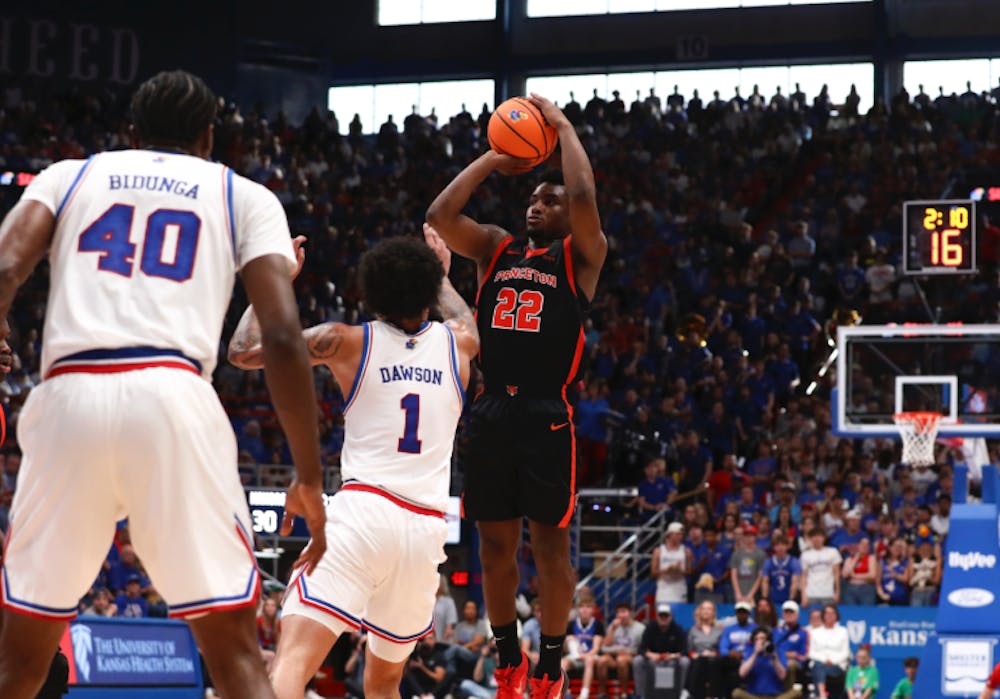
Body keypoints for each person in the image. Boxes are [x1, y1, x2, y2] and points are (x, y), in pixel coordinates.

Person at [0, 69, 327, 699]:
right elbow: (283, 339)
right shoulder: (243, 194)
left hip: (71, 396)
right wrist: (309, 477)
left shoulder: (70, 175)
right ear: (210, 138)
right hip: (173, 397)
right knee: (234, 655)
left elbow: (8, 265)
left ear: (129, 133)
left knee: (19, 658)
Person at [230, 226, 478, 699]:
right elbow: (463, 318)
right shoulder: (460, 344)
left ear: (373, 296)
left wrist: (277, 278)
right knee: (384, 684)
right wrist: (441, 276)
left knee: (293, 662)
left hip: (364, 514)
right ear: (428, 289)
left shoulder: (346, 341)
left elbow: (243, 354)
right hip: (427, 529)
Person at [427, 92, 607, 699]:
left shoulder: (580, 257)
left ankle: (551, 666)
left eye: (548, 198)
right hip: (491, 410)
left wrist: (561, 125)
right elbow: (441, 216)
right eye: (534, 195)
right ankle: (509, 659)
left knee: (550, 552)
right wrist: (493, 159)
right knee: (494, 546)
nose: (539, 202)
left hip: (545, 412)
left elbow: (583, 197)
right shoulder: (497, 248)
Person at [631, 603, 689, 699]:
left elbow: (684, 651)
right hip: (653, 659)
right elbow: (642, 649)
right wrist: (651, 655)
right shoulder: (650, 628)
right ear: (657, 616)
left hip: (672, 659)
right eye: (661, 615)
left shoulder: (678, 629)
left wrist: (672, 656)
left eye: (666, 615)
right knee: (637, 660)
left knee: (685, 661)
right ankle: (641, 694)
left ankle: (680, 693)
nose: (663, 618)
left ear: (671, 617)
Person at [732, 627, 801, 699]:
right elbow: (742, 673)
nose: (760, 641)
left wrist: (774, 657)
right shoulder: (750, 652)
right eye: (756, 639)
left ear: (768, 640)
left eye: (762, 638)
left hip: (776, 696)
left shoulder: (778, 652)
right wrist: (755, 654)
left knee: (796, 692)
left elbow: (782, 676)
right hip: (754, 696)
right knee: (736, 693)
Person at [596, 602, 645, 699]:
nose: (620, 615)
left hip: (632, 657)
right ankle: (602, 694)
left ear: (630, 613)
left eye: (623, 612)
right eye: (618, 612)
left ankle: (624, 693)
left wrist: (628, 652)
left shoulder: (640, 628)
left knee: (621, 660)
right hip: (614, 656)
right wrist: (613, 629)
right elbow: (604, 646)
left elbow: (643, 649)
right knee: (602, 660)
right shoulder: (613, 626)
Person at [562, 597, 605, 699]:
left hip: (591, 656)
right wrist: (567, 641)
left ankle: (584, 694)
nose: (585, 609)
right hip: (576, 655)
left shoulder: (597, 624)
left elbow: (596, 648)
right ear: (578, 609)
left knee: (589, 660)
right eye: (582, 607)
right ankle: (566, 692)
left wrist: (584, 655)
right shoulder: (571, 624)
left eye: (588, 607)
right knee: (562, 663)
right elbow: (566, 650)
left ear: (593, 610)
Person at [808, 605, 850, 699]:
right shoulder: (815, 632)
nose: (829, 615)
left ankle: (819, 694)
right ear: (823, 615)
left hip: (837, 665)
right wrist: (824, 660)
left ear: (836, 615)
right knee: (819, 666)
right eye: (827, 613)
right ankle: (822, 694)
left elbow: (845, 652)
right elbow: (811, 652)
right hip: (819, 663)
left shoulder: (843, 631)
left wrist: (832, 661)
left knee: (819, 668)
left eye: (832, 613)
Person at [686, 600, 723, 699]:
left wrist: (714, 653)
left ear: (714, 613)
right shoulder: (693, 630)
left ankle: (714, 695)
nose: (706, 611)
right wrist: (694, 655)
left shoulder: (720, 630)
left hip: (714, 659)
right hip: (698, 660)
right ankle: (694, 694)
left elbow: (723, 648)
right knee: (700, 662)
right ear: (700, 612)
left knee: (713, 663)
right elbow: (689, 649)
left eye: (709, 609)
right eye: (704, 609)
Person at [800, 529, 842, 608]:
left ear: (824, 538)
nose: (817, 538)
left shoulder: (833, 552)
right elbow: (803, 576)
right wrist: (803, 595)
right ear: (810, 539)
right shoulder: (805, 554)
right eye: (814, 536)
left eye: (819, 536)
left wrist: (837, 592)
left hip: (828, 593)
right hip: (811, 593)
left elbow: (836, 574)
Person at [653, 522, 691, 603]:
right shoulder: (659, 551)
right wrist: (666, 570)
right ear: (669, 534)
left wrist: (679, 571)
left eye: (681, 534)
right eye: (677, 534)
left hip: (679, 587)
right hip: (664, 588)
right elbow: (653, 572)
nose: (679, 536)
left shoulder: (686, 551)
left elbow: (689, 571)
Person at [773, 601, 807, 691]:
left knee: (789, 664)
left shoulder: (803, 632)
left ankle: (788, 693)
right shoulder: (775, 631)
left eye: (791, 612)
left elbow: (805, 655)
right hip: (777, 659)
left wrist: (796, 656)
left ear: (797, 615)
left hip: (795, 663)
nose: (788, 614)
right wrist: (783, 654)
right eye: (786, 612)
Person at [761, 534, 801, 607]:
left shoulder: (793, 561)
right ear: (773, 547)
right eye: (777, 545)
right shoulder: (768, 562)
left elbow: (795, 582)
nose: (780, 547)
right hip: (773, 598)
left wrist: (791, 599)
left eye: (783, 544)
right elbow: (765, 582)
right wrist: (765, 598)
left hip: (788, 598)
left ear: (787, 546)